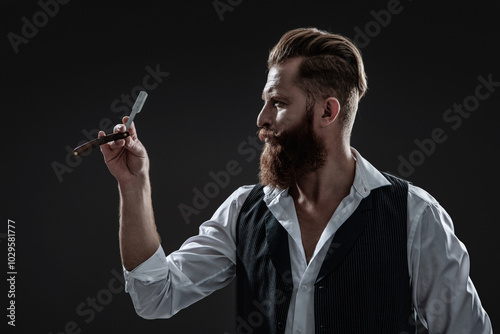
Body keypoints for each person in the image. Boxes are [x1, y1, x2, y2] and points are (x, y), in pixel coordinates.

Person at [99, 28, 492, 333]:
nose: (261, 119)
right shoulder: (244, 211)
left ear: (327, 111)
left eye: (280, 103)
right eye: (265, 101)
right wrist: (134, 185)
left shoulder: (415, 216)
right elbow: (155, 295)